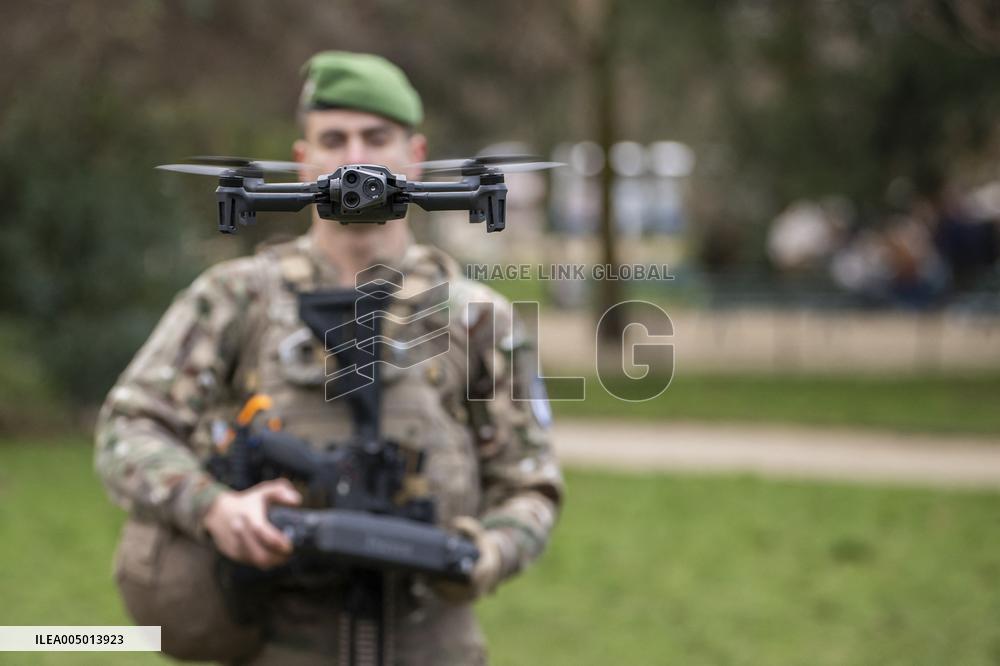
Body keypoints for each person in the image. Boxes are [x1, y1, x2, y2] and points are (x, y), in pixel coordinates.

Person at [94, 50, 564, 665]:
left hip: (428, 642)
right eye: (334, 139)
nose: (355, 158)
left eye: (376, 137)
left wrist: (484, 554)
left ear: (415, 154)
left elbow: (531, 484)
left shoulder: (477, 317)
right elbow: (127, 428)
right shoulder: (237, 298)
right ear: (303, 159)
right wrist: (215, 509)